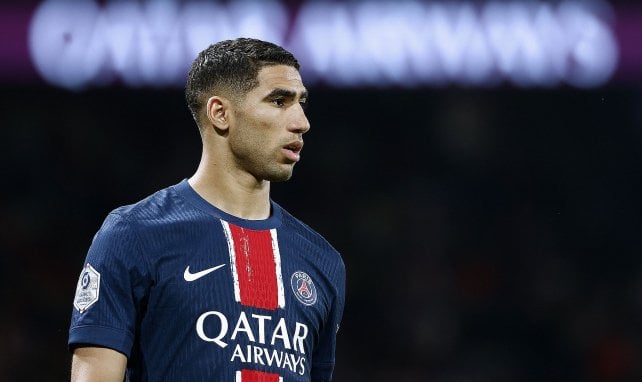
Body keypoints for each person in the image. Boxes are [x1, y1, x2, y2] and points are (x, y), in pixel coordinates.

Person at [69, 38, 346, 382]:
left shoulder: (322, 261)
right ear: (220, 113)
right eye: (279, 101)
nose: (301, 122)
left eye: (301, 103)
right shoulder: (134, 234)